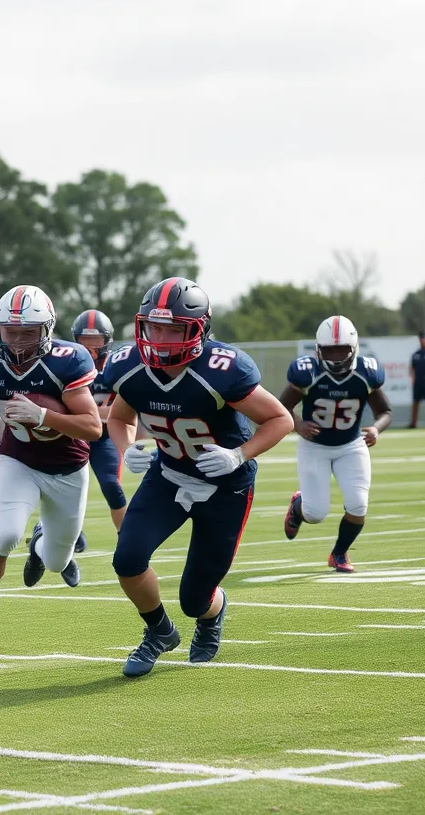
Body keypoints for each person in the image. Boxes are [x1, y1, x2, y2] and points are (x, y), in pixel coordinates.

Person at [104, 278, 292, 677]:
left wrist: (239, 454)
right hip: (168, 475)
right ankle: (159, 632)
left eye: (173, 329)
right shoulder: (129, 366)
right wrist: (129, 448)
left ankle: (211, 615)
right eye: (154, 327)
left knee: (195, 598)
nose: (161, 338)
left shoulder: (222, 369)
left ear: (199, 330)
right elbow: (119, 418)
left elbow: (281, 418)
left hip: (225, 487)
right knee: (127, 559)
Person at [0, 285, 102, 653]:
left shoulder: (68, 360)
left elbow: (93, 428)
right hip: (19, 459)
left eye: (28, 332)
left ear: (47, 330)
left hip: (68, 467)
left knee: (58, 561)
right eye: (10, 331)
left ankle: (42, 542)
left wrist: (43, 414)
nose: (17, 341)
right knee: (6, 534)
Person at [279, 315, 393, 572]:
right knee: (316, 513)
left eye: (342, 349)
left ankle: (339, 553)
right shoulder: (307, 373)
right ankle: (298, 507)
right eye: (330, 350)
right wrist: (298, 424)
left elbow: (385, 412)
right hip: (314, 446)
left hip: (351, 445)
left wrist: (376, 428)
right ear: (318, 350)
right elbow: (281, 406)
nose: (336, 356)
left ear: (354, 349)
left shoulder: (366, 374)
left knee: (358, 504)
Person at [70, 308, 131, 548]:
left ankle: (126, 538)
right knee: (67, 491)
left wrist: (94, 413)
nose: (90, 346)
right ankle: (68, 534)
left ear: (107, 341)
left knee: (111, 485)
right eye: (85, 340)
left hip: (105, 437)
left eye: (96, 340)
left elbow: (124, 410)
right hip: (73, 436)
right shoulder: (68, 363)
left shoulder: (116, 365)